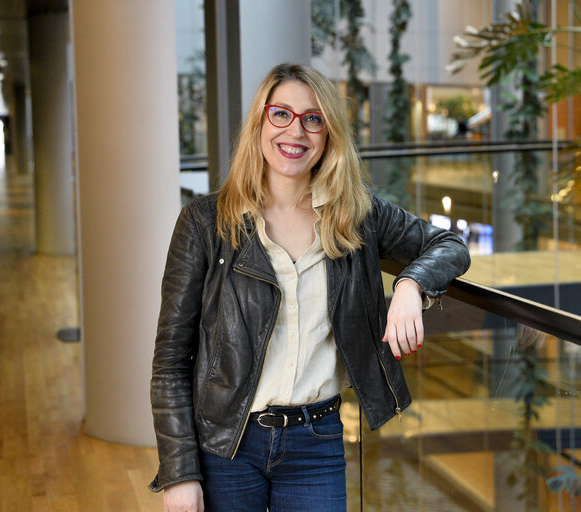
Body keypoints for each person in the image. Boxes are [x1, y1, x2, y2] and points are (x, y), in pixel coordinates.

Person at [149, 63, 470, 512]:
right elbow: (169, 362)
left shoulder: (356, 216)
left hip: (316, 442)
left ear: (328, 134)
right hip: (226, 444)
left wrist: (411, 285)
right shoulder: (205, 223)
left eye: (313, 118)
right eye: (281, 114)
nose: (295, 131)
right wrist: (179, 472)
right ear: (260, 122)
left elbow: (449, 244)